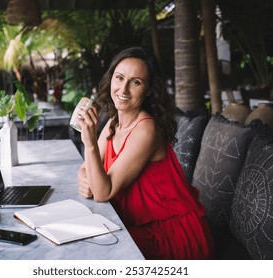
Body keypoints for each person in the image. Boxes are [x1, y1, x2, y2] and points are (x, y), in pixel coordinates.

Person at [76, 47, 214, 260]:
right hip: (136, 224)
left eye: (136, 82)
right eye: (119, 78)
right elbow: (86, 169)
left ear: (149, 89)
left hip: (171, 233)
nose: (124, 89)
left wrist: (90, 143)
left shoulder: (146, 129)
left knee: (93, 250)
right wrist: (85, 180)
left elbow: (103, 192)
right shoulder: (114, 122)